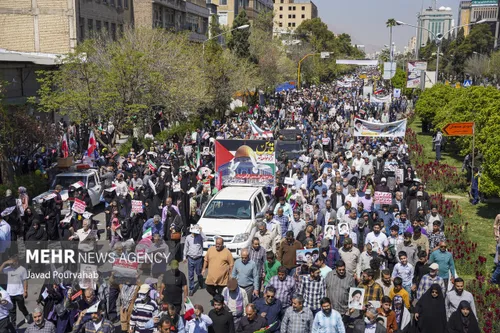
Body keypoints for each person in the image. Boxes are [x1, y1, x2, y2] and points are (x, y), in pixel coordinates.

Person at [0, 254, 30, 327]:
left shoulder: (22, 269)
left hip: (19, 292)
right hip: (10, 293)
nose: (12, 264)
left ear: (17, 262)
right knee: (12, 310)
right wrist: (4, 263)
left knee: (21, 307)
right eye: (11, 263)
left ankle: (26, 315)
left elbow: (25, 280)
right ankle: (14, 324)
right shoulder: (8, 269)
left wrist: (25, 291)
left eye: (13, 262)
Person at [183, 225, 206, 296]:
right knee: (190, 275)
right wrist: (184, 257)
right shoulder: (188, 238)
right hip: (191, 258)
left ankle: (201, 281)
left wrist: (201, 231)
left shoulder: (200, 236)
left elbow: (205, 239)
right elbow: (186, 247)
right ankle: (191, 289)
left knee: (198, 273)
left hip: (198, 258)